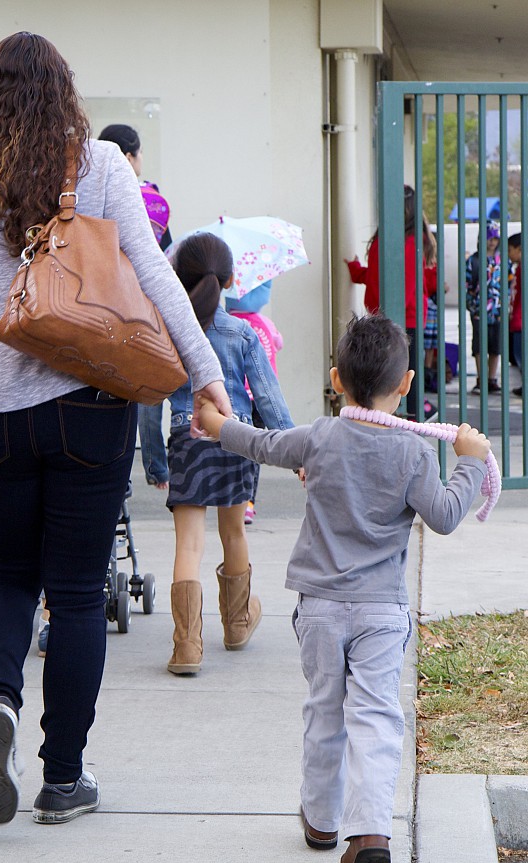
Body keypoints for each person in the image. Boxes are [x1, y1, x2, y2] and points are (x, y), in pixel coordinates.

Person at [0, 31, 231, 826]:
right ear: (62, 92)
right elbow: (153, 280)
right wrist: (205, 376)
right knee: (75, 594)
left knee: (2, 577)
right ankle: (63, 776)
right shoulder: (98, 164)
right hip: (87, 408)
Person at [198, 313, 490, 863]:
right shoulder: (414, 453)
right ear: (405, 386)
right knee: (376, 715)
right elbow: (447, 515)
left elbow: (262, 443)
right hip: (382, 610)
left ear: (336, 381)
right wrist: (470, 464)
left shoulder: (320, 437)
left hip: (321, 610)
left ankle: (322, 823)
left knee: (324, 711)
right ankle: (372, 834)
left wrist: (215, 424)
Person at [164, 233, 293, 675]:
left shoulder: (169, 331)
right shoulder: (243, 333)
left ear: (180, 279)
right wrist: (296, 452)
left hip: (185, 438)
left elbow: (147, 401)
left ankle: (186, 647)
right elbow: (271, 402)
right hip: (234, 438)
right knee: (234, 533)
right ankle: (236, 623)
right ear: (232, 280)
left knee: (189, 543)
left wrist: (153, 462)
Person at [98, 123, 174, 489]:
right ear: (129, 155)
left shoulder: (90, 189)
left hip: (103, 305)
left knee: (109, 391)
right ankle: (156, 469)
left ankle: (116, 478)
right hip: (144, 307)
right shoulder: (153, 201)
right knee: (146, 393)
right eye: (139, 153)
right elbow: (166, 257)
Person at [346, 185, 438, 419]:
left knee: (402, 375)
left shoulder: (408, 242)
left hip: (400, 319)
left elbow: (403, 286)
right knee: (395, 374)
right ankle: (411, 417)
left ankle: (413, 421)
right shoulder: (393, 236)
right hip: (390, 317)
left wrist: (388, 322)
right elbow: (381, 273)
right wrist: (356, 271)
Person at [226, 280, 285, 524]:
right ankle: (248, 502)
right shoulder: (265, 323)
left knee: (233, 446)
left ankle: (231, 497)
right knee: (254, 450)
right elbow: (279, 343)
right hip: (260, 398)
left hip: (237, 396)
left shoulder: (228, 324)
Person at [465, 222, 503, 393]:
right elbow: (467, 285)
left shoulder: (502, 260)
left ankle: (492, 378)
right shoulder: (473, 260)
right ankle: (481, 379)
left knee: (496, 346)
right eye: (489, 238)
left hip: (498, 311)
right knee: (480, 346)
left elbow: (509, 283)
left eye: (495, 238)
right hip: (479, 310)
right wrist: (471, 306)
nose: (492, 242)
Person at [507, 233, 522, 396]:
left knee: (520, 355)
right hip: (517, 319)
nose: (509, 254)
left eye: (510, 250)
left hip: (520, 321)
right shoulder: (518, 268)